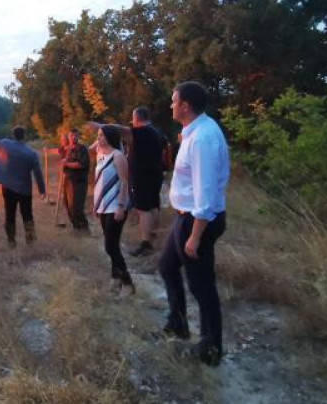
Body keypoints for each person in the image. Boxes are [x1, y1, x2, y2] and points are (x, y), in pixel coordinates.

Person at [158, 82, 230, 366]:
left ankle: (211, 349)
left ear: (185, 105)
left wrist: (195, 236)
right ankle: (178, 323)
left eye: (174, 101)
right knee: (166, 265)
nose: (171, 105)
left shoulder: (203, 138)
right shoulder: (194, 132)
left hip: (198, 220)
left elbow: (206, 192)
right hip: (185, 217)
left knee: (202, 286)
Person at [0, 122, 46, 248]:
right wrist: (42, 190)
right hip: (24, 190)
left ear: (14, 135)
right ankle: (31, 242)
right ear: (24, 136)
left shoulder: (5, 144)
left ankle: (11, 241)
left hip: (8, 188)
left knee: (10, 214)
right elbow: (38, 174)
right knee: (27, 215)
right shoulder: (32, 153)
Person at [94, 125, 135, 296]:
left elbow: (124, 182)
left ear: (110, 137)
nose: (99, 138)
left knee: (110, 246)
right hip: (103, 206)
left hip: (116, 206)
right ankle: (115, 277)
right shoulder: (100, 155)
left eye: (102, 135)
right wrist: (95, 205)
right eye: (98, 135)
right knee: (112, 244)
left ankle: (127, 283)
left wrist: (120, 206)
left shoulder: (118, 156)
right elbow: (98, 180)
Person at [126, 107, 168, 257]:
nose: (132, 122)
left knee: (143, 209)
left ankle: (146, 244)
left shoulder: (142, 131)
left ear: (137, 118)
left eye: (133, 118)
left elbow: (123, 131)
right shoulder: (157, 132)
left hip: (143, 176)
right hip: (154, 174)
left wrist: (102, 127)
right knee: (153, 205)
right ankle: (154, 236)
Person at [61, 128, 90, 233]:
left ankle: (84, 229)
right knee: (68, 205)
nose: (73, 137)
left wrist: (67, 164)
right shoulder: (68, 149)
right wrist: (64, 160)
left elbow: (82, 164)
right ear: (68, 137)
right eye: (71, 135)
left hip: (79, 181)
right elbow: (61, 151)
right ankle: (76, 227)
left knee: (76, 206)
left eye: (75, 135)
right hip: (68, 180)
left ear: (78, 136)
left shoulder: (82, 149)